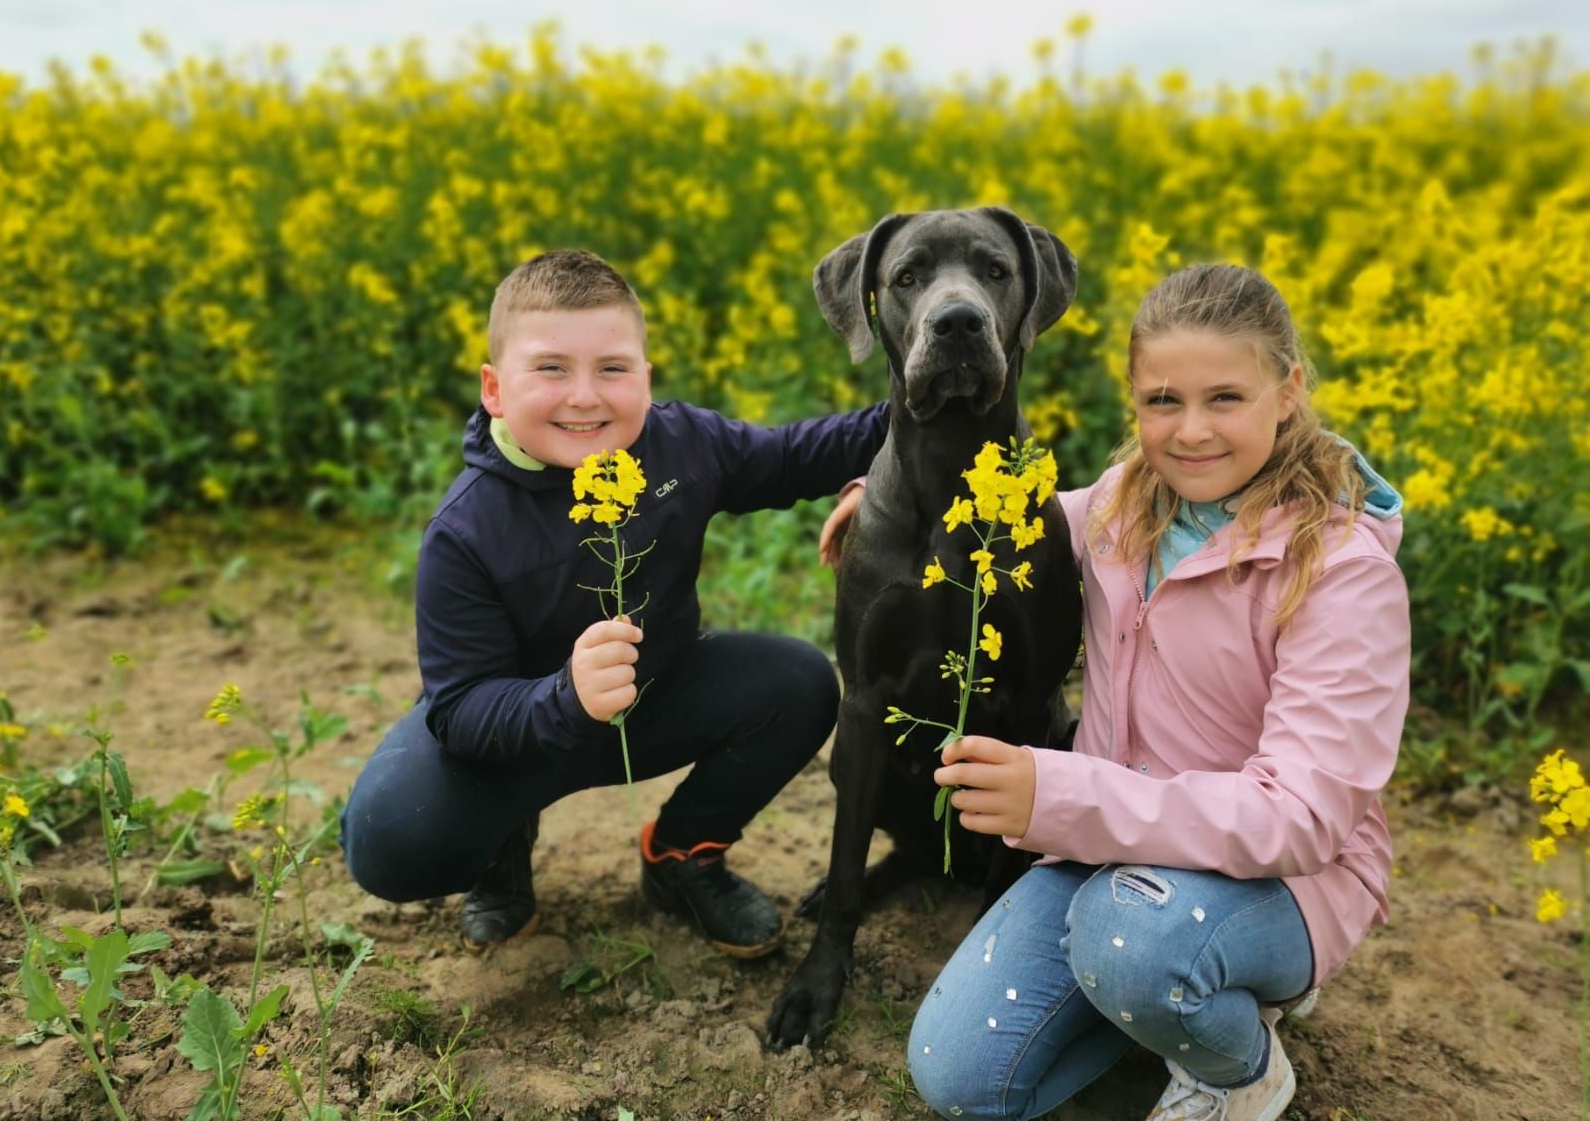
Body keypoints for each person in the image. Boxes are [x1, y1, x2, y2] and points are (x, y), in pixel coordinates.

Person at [821, 263, 1408, 1120]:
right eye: (1163, 401)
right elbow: (1014, 514)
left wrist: (1057, 793)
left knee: (1129, 945)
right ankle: (1190, 988)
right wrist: (882, 499)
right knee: (960, 1077)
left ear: (1288, 391)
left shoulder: (1344, 574)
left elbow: (1302, 817)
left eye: (1226, 399)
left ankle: (1239, 1070)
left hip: (1284, 876)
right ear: (1133, 402)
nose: (1192, 431)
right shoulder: (1122, 511)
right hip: (1105, 854)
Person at [341, 249, 888, 959]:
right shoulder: (464, 530)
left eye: (612, 369)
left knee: (800, 684)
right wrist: (566, 698)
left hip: (658, 698)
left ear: (646, 380)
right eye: (550, 369)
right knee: (392, 837)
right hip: (517, 740)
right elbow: (461, 706)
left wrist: (894, 437)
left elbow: (795, 456)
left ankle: (680, 855)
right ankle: (501, 858)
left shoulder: (679, 443)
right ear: (494, 389)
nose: (585, 397)